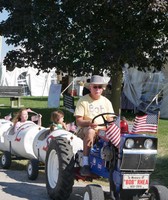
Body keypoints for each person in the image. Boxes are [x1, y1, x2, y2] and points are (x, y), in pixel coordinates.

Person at [74, 75, 114, 176]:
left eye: (99, 87)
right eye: (95, 87)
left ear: (103, 89)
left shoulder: (106, 102)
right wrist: (89, 123)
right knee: (90, 131)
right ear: (90, 87)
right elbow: (79, 121)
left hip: (103, 130)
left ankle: (113, 163)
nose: (97, 89)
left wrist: (110, 125)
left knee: (116, 133)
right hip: (85, 129)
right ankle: (85, 163)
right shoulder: (83, 100)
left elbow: (110, 119)